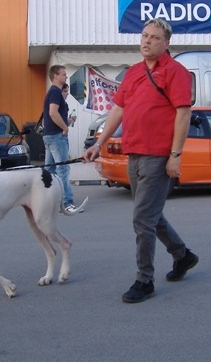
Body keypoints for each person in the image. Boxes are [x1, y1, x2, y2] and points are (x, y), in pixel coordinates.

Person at [83, 18, 198, 303]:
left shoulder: (176, 73)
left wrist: (175, 156)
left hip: (158, 156)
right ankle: (182, 255)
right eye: (144, 36)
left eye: (154, 37)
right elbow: (117, 111)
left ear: (166, 43)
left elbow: (183, 115)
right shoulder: (133, 73)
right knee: (151, 215)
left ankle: (144, 280)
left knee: (142, 219)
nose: (147, 41)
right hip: (133, 153)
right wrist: (99, 143)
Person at [43, 65, 82, 213]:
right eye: (64, 74)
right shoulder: (55, 92)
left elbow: (53, 113)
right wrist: (65, 128)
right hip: (56, 136)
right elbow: (53, 113)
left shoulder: (52, 92)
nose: (66, 76)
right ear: (55, 76)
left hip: (49, 136)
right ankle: (67, 203)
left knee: (50, 170)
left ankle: (48, 202)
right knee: (63, 169)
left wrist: (66, 121)